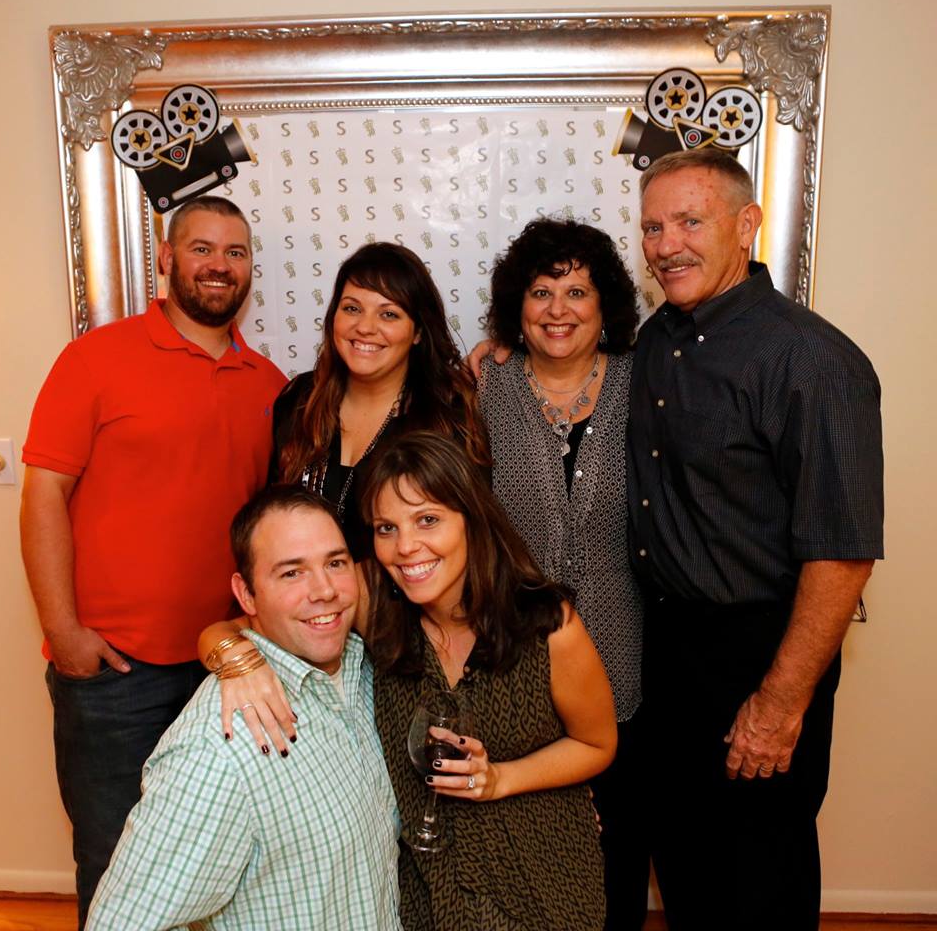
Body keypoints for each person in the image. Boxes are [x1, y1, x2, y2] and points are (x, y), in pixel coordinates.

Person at [628, 147, 883, 929]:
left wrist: (779, 702)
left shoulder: (813, 360)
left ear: (747, 226)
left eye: (690, 222)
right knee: (685, 865)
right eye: (652, 227)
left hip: (760, 653)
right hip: (665, 648)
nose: (667, 244)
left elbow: (843, 553)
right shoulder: (655, 340)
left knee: (758, 878)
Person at [19, 196, 286, 928]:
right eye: (202, 248)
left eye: (235, 253)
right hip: (113, 674)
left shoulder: (269, 385)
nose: (219, 265)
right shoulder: (94, 359)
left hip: (224, 667)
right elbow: (43, 497)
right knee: (115, 866)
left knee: (221, 863)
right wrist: (65, 634)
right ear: (165, 259)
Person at [86, 487, 401, 931]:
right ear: (246, 595)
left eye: (335, 563)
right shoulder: (218, 749)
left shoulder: (362, 672)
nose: (325, 590)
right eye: (291, 573)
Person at [358, 431, 616, 930]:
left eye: (427, 519)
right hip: (427, 892)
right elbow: (255, 617)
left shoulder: (548, 626)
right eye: (386, 528)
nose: (405, 547)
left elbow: (597, 743)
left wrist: (501, 778)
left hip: (540, 881)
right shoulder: (372, 603)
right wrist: (235, 660)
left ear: (471, 519)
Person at [477, 218, 649, 929]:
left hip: (623, 656)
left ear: (605, 305)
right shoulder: (485, 387)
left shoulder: (646, 383)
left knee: (617, 853)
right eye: (541, 291)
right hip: (513, 660)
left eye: (577, 292)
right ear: (516, 305)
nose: (558, 309)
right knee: (525, 853)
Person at [269, 240, 489, 558]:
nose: (365, 327)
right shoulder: (299, 400)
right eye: (352, 308)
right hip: (306, 589)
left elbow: (468, 545)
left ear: (418, 332)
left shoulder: (448, 420)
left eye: (388, 314)